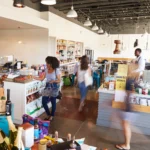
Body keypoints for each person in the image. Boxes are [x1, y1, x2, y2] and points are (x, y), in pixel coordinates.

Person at [34, 56, 61, 121]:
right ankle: (49, 114)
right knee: (44, 101)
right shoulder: (46, 70)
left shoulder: (56, 70)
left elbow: (59, 80)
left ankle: (51, 116)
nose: (46, 64)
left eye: (47, 63)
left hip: (54, 86)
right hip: (48, 86)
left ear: (51, 63)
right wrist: (33, 77)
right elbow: (42, 78)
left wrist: (54, 81)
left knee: (53, 101)